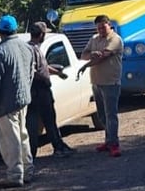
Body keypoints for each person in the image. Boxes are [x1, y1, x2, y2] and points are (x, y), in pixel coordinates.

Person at [0, 15, 36, 188]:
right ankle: (27, 170)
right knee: (23, 135)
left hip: (5, 104)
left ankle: (14, 175)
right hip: (23, 99)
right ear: (15, 29)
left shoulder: (0, 51)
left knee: (10, 140)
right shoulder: (27, 47)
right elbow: (30, 74)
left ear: (0, 31)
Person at [26, 21, 74, 158]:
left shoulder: (35, 48)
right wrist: (44, 79)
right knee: (42, 121)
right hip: (38, 90)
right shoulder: (31, 49)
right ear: (41, 34)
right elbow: (32, 70)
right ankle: (35, 152)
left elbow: (43, 67)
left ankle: (57, 146)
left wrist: (57, 73)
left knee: (47, 120)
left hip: (39, 90)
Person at [81, 14, 124, 157]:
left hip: (111, 82)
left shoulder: (115, 39)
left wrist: (85, 66)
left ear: (109, 25)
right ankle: (108, 140)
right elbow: (84, 55)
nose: (101, 30)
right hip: (96, 82)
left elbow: (102, 57)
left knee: (111, 114)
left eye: (103, 27)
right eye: (98, 28)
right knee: (101, 114)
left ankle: (114, 144)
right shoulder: (94, 39)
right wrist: (92, 54)